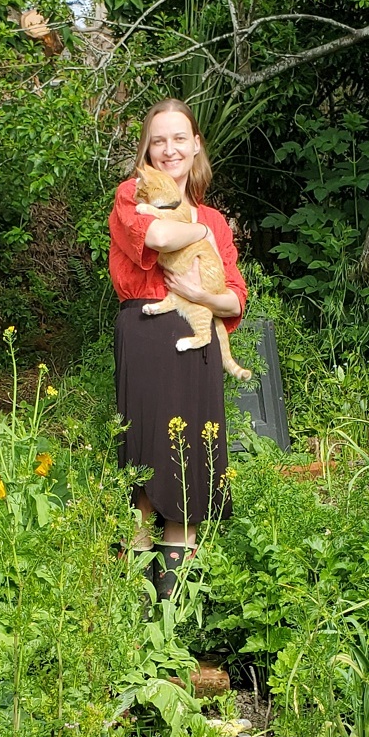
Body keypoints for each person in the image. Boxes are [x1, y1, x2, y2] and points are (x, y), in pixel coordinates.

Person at [108, 98, 247, 597]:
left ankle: (172, 623)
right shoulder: (132, 195)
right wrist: (201, 231)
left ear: (195, 146)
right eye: (158, 140)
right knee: (145, 477)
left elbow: (234, 297)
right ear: (147, 149)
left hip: (198, 341)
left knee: (190, 479)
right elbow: (161, 234)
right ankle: (130, 620)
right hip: (146, 341)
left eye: (179, 139)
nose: (169, 149)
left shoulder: (215, 217)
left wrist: (198, 294)